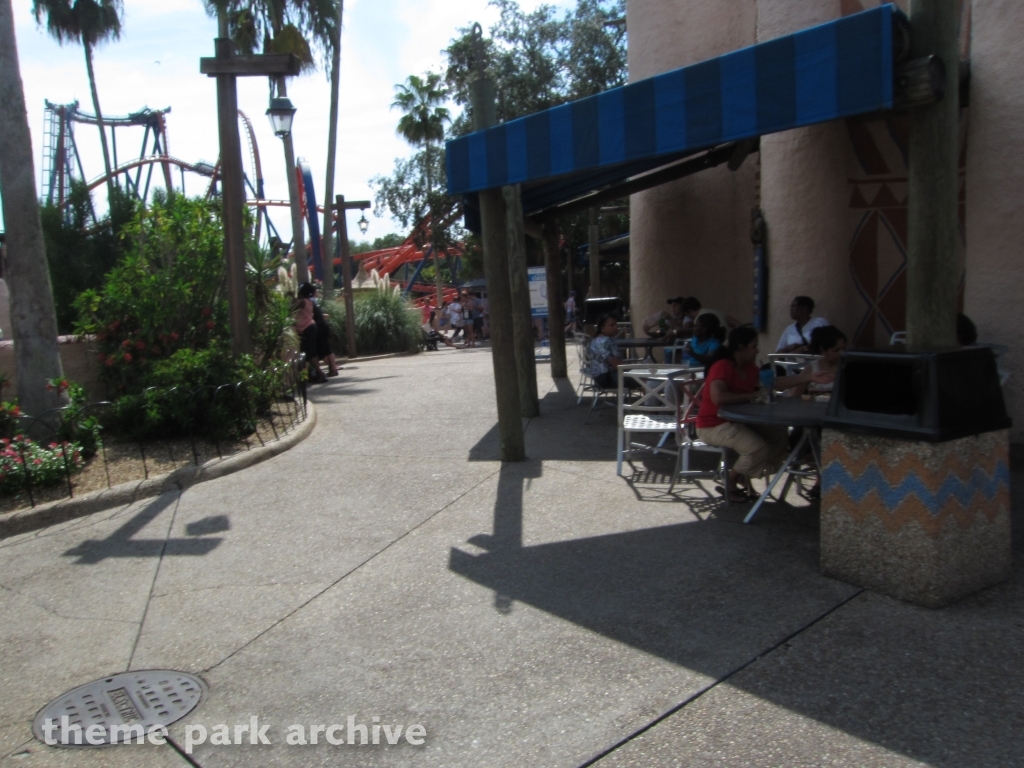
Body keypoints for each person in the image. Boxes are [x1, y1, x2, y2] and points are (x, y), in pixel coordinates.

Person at [696, 327, 822, 502]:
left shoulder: (749, 367)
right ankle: (730, 481)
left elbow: (775, 382)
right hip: (713, 424)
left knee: (779, 436)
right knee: (757, 448)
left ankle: (745, 473)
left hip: (737, 421)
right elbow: (718, 397)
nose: (757, 350)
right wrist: (752, 395)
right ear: (741, 347)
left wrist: (809, 378)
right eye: (754, 346)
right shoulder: (722, 366)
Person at [789, 326, 846, 398]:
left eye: (844, 349)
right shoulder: (811, 369)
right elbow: (794, 396)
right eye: (836, 350)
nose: (842, 353)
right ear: (823, 350)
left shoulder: (846, 367)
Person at [293, 283, 329, 383]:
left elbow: (290, 309)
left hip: (306, 329)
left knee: (309, 353)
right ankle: (312, 374)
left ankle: (320, 373)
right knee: (311, 351)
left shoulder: (301, 302)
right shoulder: (309, 301)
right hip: (311, 326)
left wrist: (291, 297)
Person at [588, 313, 624, 389]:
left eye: (616, 324)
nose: (615, 327)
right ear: (602, 328)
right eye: (612, 325)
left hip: (598, 378)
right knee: (645, 380)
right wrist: (636, 371)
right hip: (609, 377)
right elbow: (618, 366)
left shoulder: (597, 339)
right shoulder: (606, 342)